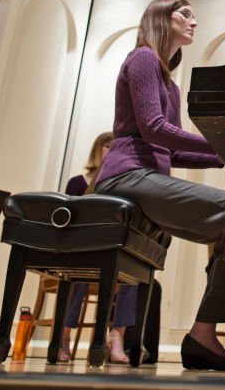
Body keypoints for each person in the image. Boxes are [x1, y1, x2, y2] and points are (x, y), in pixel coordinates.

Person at [92, 0, 225, 374]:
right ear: (160, 18)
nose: (193, 21)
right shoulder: (142, 59)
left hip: (147, 177)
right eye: (185, 13)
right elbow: (155, 130)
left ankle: (202, 334)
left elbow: (165, 151)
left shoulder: (168, 84)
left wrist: (224, 157)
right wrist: (224, 144)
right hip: (125, 178)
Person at [58, 131, 135, 364]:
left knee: (133, 274)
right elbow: (66, 220)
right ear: (97, 149)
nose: (111, 151)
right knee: (81, 272)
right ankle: (64, 337)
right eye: (107, 146)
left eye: (116, 148)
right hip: (79, 248)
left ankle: (117, 336)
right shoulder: (77, 182)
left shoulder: (122, 186)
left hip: (109, 250)